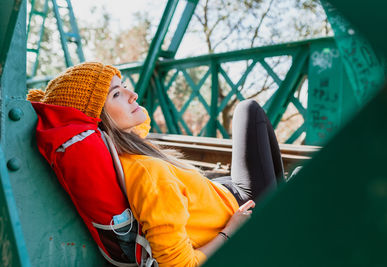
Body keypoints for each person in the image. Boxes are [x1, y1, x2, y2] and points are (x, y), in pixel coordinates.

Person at [27, 62, 284, 266]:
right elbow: (179, 265)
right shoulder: (149, 174)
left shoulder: (125, 152)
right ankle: (280, 221)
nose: (133, 94)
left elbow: (139, 126)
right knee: (249, 110)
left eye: (124, 85)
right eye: (117, 94)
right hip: (244, 205)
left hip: (218, 194)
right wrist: (230, 232)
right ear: (99, 120)